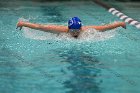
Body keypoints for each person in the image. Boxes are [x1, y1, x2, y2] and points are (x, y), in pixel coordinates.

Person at [16, 17, 126, 38]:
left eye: (77, 30)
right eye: (72, 30)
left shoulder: (86, 29)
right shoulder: (62, 30)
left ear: (81, 28)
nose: (75, 33)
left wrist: (119, 23)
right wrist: (23, 23)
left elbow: (105, 28)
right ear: (68, 28)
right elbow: (40, 27)